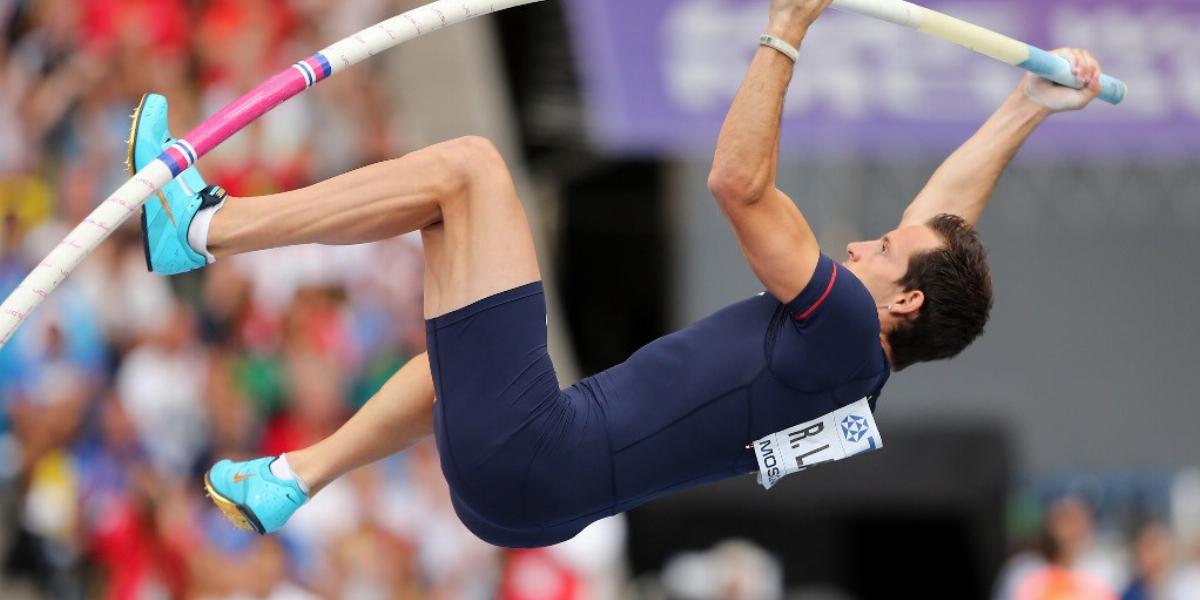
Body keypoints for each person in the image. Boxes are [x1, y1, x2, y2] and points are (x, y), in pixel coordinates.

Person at [129, 0, 1105, 547]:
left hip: (541, 457)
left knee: (469, 168)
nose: (864, 244)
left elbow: (735, 181)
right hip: (533, 491)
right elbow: (945, 222)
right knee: (462, 340)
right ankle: (295, 477)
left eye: (884, 252)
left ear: (902, 302)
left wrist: (786, 28)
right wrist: (1027, 106)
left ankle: (205, 227)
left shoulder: (849, 326)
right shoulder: (861, 363)